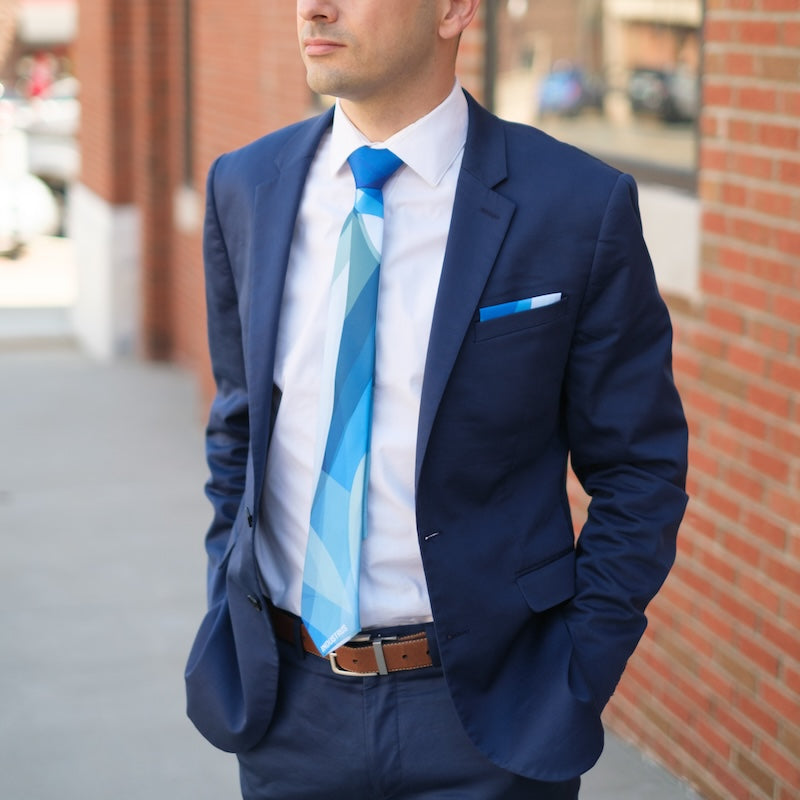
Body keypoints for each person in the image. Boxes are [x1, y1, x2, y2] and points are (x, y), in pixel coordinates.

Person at [185, 1, 689, 797]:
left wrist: (575, 670)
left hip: (486, 716)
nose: (314, 6)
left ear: (454, 9)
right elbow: (239, 427)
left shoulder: (576, 206)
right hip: (287, 708)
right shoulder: (248, 185)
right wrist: (228, 591)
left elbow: (640, 471)